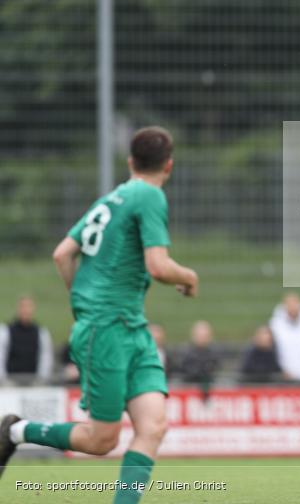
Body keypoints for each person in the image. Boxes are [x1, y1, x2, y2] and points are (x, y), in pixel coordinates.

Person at [0, 126, 199, 503]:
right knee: (101, 439)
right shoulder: (150, 195)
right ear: (169, 166)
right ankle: (16, 432)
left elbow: (62, 253)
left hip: (131, 327)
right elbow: (158, 266)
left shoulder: (111, 199)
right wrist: (189, 277)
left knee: (153, 425)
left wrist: (83, 298)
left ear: (130, 162)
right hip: (106, 330)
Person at [0, 296, 53, 384]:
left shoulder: (41, 333)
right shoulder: (5, 331)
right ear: (18, 309)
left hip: (33, 382)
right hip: (10, 382)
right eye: (23, 307)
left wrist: (40, 380)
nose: (26, 310)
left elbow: (45, 358)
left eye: (29, 307)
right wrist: (3, 380)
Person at [269, 292, 300, 382]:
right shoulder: (274, 325)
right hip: (283, 378)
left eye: (295, 304)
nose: (293, 307)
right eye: (289, 304)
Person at [176, 320, 219, 390]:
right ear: (193, 336)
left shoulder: (215, 354)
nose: (202, 339)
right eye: (200, 336)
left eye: (205, 336)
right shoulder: (186, 353)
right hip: (188, 388)